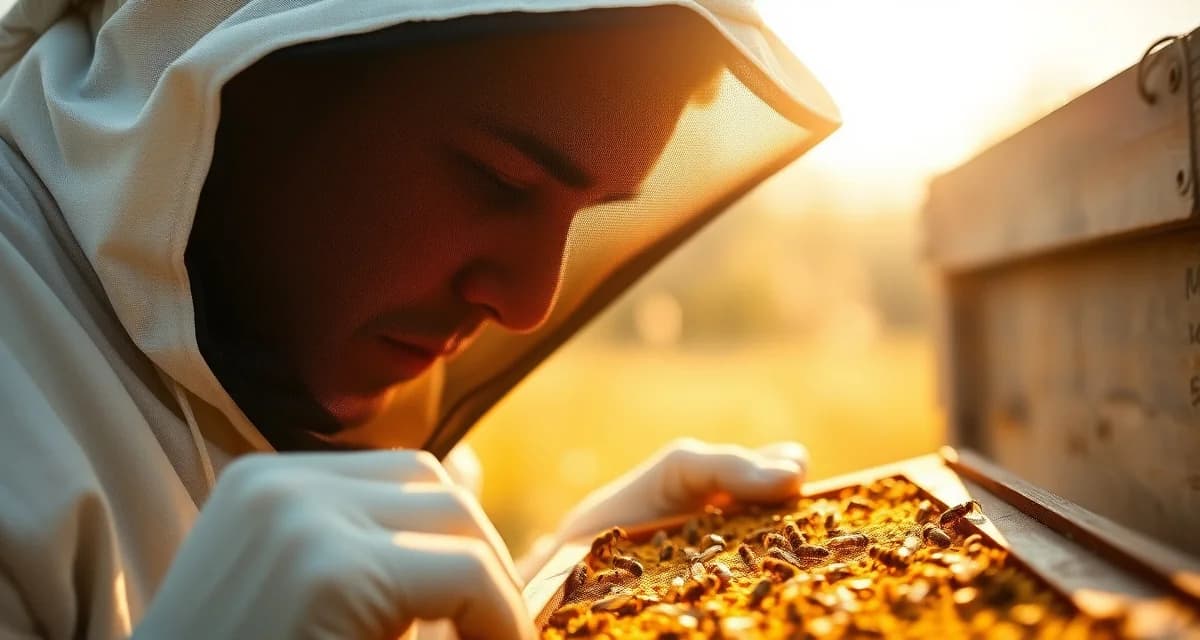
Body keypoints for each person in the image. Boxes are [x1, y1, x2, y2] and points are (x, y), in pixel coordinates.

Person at [0, 1, 839, 638]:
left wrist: (549, 593)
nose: (526, 303)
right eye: (498, 182)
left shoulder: (355, 367)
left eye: (586, 216)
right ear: (261, 74)